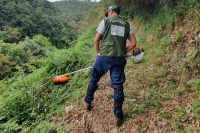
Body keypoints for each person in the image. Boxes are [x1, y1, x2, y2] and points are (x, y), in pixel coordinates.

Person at [82, 5, 137, 127]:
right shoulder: (127, 24)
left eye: (108, 13)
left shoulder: (105, 21)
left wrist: (98, 54)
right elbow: (133, 43)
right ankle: (117, 115)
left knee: (94, 78)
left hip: (104, 57)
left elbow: (96, 40)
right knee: (118, 85)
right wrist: (124, 52)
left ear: (111, 11)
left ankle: (87, 101)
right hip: (119, 58)